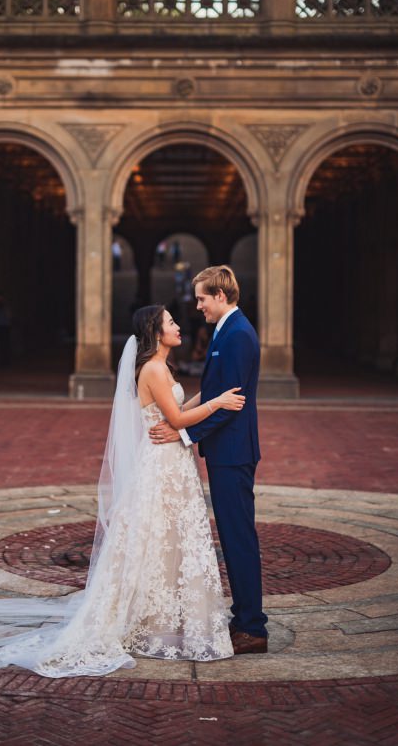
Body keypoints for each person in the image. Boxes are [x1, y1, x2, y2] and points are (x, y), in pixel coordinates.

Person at [0, 307, 246, 682]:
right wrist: (218, 403)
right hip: (160, 464)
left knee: (165, 540)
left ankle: (160, 616)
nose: (179, 325)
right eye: (171, 321)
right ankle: (145, 618)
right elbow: (175, 420)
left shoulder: (161, 367)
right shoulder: (154, 369)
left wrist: (209, 394)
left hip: (169, 462)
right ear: (155, 332)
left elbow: (175, 410)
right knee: (153, 538)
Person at [148, 265, 268, 654]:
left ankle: (252, 627)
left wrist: (181, 433)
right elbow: (214, 393)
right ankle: (244, 618)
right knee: (234, 538)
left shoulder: (237, 335)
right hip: (225, 451)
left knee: (238, 539)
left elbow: (229, 404)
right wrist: (178, 422)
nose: (197, 305)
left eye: (201, 298)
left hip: (233, 454)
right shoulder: (225, 331)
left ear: (220, 296)